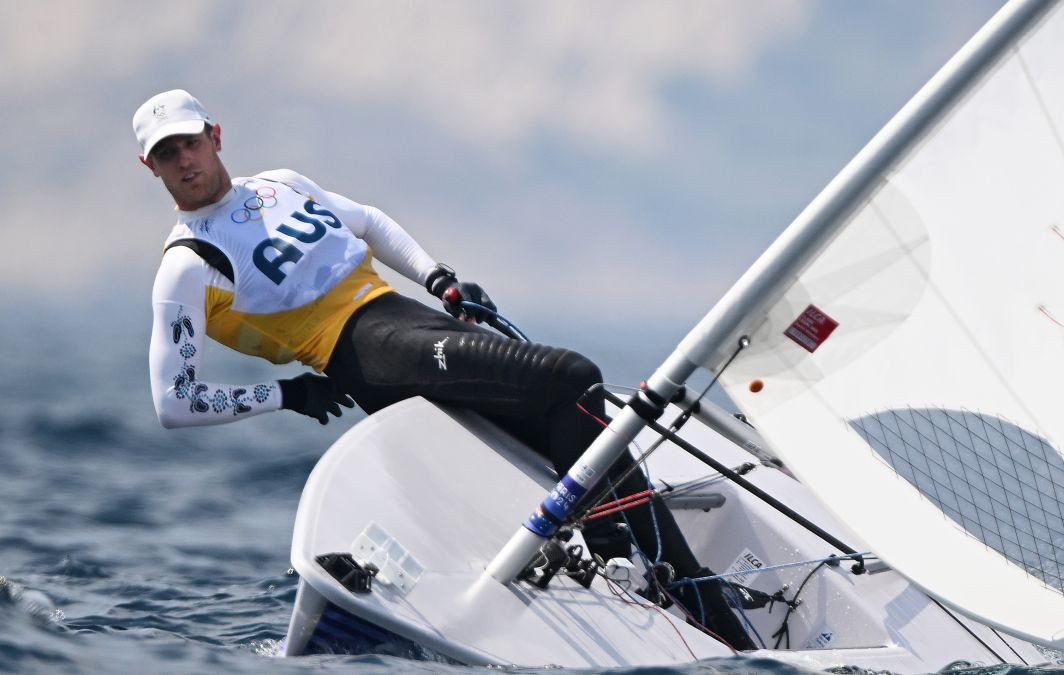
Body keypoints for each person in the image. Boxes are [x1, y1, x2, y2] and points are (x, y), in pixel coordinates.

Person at [134, 89, 753, 648]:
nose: (183, 161)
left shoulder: (280, 184)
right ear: (151, 167)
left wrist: (439, 279)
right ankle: (624, 557)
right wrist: (285, 395)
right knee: (567, 373)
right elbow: (173, 400)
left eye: (189, 142)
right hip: (368, 357)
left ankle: (691, 594)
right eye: (166, 154)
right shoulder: (187, 264)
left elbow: (370, 222)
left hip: (408, 318)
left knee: (577, 408)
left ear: (215, 135)